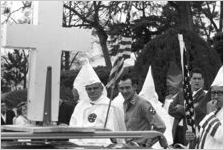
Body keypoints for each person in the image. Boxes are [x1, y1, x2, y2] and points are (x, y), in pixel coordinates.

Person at [69, 59, 126, 146]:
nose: (92, 91)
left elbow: (115, 131)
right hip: (79, 145)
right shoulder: (80, 106)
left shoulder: (110, 106)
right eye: (89, 89)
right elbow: (73, 127)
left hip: (101, 145)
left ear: (101, 88)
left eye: (95, 88)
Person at [118, 74, 166, 148]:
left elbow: (161, 126)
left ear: (134, 87)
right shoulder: (125, 103)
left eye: (127, 88)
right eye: (121, 88)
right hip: (129, 146)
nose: (124, 91)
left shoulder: (144, 104)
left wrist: (146, 145)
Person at [168, 67, 206, 147]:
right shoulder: (182, 93)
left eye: (199, 79)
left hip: (191, 134)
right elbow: (170, 110)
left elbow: (197, 113)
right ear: (190, 80)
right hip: (177, 131)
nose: (197, 81)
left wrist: (181, 109)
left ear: (203, 81)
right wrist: (188, 111)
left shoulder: (204, 97)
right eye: (194, 78)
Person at [197, 66, 223, 149]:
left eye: (219, 93)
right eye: (213, 93)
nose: (215, 96)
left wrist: (209, 115)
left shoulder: (211, 113)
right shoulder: (214, 110)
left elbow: (221, 136)